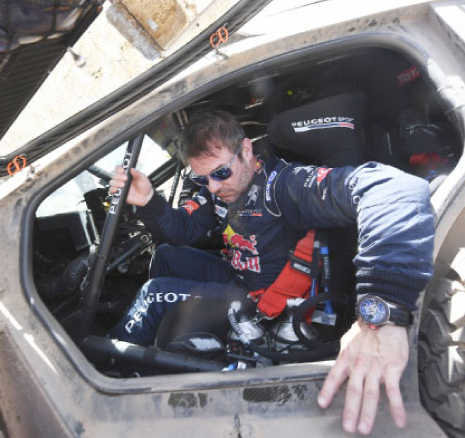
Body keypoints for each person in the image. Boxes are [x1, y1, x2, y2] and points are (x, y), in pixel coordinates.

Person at [107, 110, 434, 436]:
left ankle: (107, 384)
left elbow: (395, 190)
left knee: (155, 293)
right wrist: (148, 201)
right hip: (237, 276)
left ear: (246, 151)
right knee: (166, 255)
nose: (213, 185)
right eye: (202, 178)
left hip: (264, 304)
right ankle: (154, 350)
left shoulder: (283, 186)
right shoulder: (217, 190)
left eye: (221, 172)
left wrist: (382, 314)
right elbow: (182, 229)